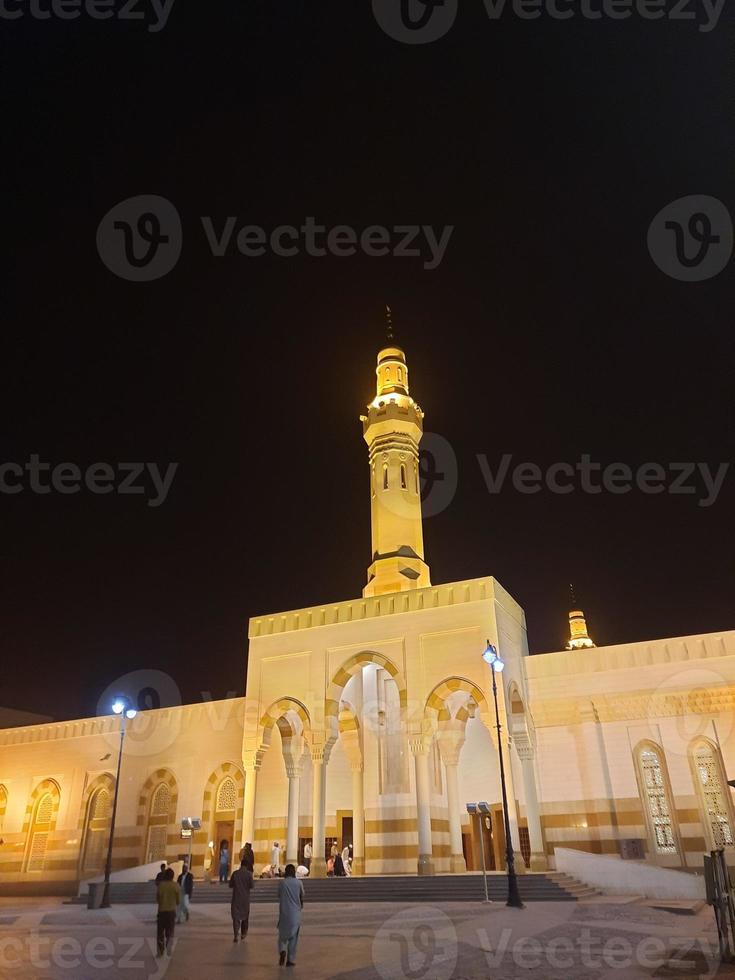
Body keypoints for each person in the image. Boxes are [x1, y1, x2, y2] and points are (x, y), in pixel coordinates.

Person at [277, 864, 304, 966]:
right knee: (294, 937)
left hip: (284, 913)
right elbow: (302, 895)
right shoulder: (299, 883)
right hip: (295, 913)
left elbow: (278, 895)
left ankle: (282, 950)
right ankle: (290, 959)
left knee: (282, 936)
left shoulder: (282, 883)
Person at [156, 867, 180, 957]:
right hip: (171, 912)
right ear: (173, 876)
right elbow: (178, 901)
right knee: (170, 931)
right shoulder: (176, 886)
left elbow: (157, 899)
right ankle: (169, 948)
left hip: (162, 911)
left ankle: (160, 951)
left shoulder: (161, 885)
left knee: (160, 932)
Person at [229, 858, 254, 942]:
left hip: (236, 898)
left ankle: (236, 934)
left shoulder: (235, 874)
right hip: (245, 899)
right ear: (246, 866)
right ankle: (243, 933)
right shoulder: (249, 874)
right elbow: (252, 886)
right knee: (245, 917)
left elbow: (230, 885)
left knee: (235, 917)